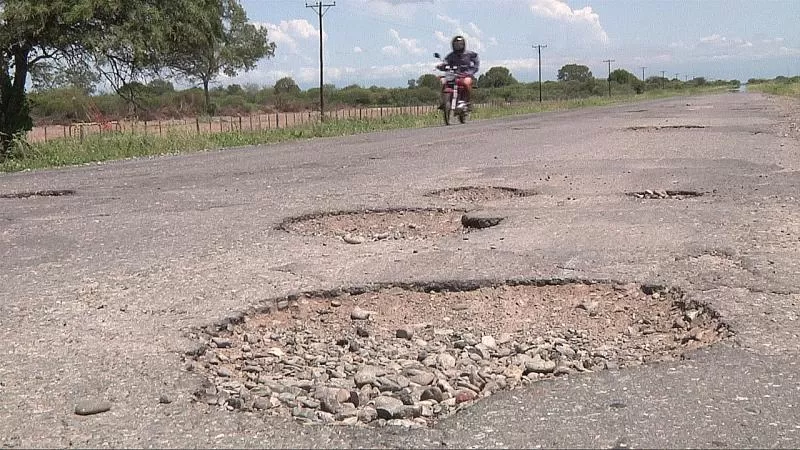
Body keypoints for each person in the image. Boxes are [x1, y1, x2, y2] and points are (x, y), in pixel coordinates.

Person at [437, 36, 480, 110]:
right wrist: (441, 66)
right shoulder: (451, 55)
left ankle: (468, 102)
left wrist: (472, 70)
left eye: (460, 44)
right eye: (456, 45)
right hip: (454, 75)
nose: (458, 46)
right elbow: (445, 62)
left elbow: (476, 61)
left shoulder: (469, 54)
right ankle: (445, 101)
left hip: (466, 75)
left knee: (466, 83)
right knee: (445, 84)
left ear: (463, 45)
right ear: (453, 45)